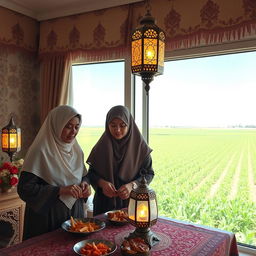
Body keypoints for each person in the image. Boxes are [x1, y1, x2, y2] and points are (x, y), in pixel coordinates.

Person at [17, 105, 91, 240]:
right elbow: (25, 189)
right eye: (68, 126)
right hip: (47, 219)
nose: (73, 131)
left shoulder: (76, 150)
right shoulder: (40, 151)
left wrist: (86, 185)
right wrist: (60, 190)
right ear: (56, 125)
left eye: (77, 127)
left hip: (75, 213)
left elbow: (84, 176)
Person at [86, 105, 154, 216]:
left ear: (130, 125)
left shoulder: (140, 147)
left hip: (131, 203)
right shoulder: (101, 147)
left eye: (123, 125)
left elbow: (149, 173)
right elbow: (91, 174)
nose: (117, 130)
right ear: (107, 125)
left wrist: (132, 185)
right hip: (104, 204)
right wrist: (102, 183)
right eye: (113, 125)